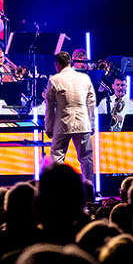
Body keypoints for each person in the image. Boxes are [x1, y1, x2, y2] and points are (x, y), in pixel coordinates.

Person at [45, 50, 96, 183]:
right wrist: (92, 124)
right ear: (70, 62)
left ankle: (58, 192)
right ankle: (90, 190)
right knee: (87, 159)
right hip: (83, 123)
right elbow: (91, 103)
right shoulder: (85, 78)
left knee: (57, 157)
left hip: (62, 124)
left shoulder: (54, 79)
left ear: (57, 65)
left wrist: (48, 127)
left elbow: (49, 106)